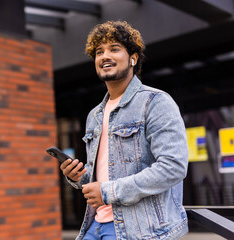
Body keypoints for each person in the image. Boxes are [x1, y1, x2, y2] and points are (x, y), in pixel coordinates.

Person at [60, 21, 189, 240]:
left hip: (138, 229)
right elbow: (101, 176)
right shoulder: (95, 115)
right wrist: (78, 178)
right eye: (99, 52)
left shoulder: (155, 102)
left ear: (133, 58)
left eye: (114, 49)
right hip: (95, 224)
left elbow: (173, 167)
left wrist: (107, 192)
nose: (104, 56)